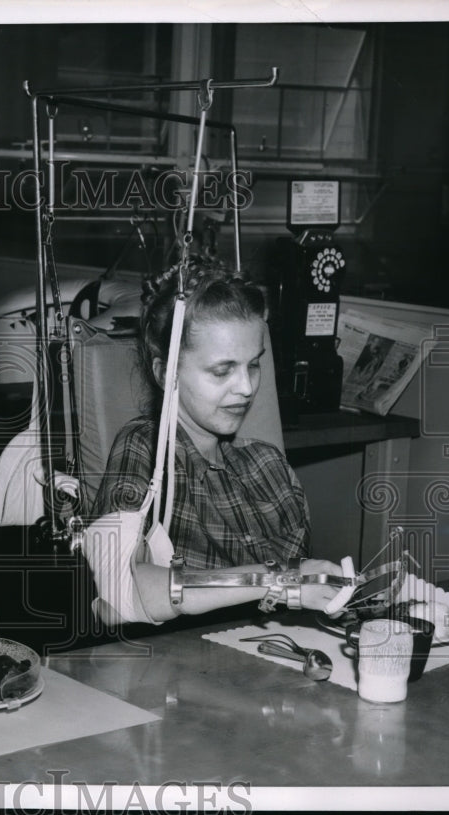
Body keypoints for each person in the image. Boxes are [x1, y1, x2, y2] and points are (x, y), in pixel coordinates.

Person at [85, 257, 346, 624]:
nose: (246, 387)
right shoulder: (145, 450)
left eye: (253, 365)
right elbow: (119, 591)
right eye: (222, 370)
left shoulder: (269, 468)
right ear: (165, 373)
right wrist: (275, 579)